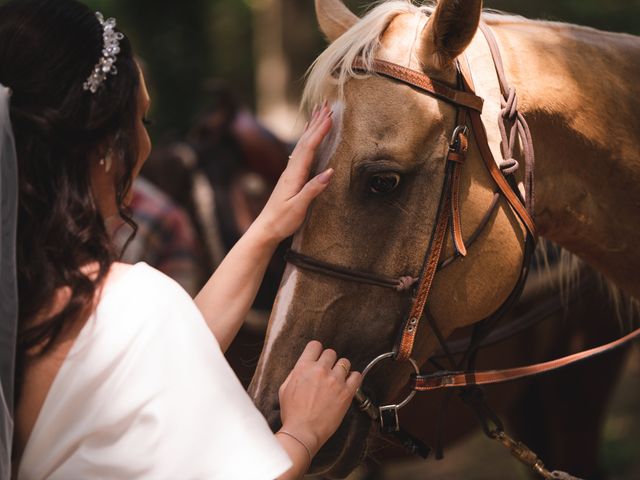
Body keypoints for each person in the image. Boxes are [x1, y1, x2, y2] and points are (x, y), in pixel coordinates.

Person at [0, 1, 360, 479]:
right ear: (106, 145)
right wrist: (303, 433)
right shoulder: (128, 306)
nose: (146, 145)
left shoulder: (28, 299)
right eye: (142, 122)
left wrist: (269, 225)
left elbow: (153, 363)